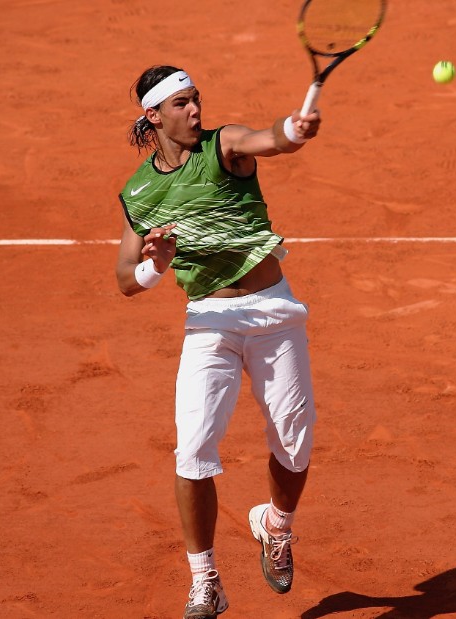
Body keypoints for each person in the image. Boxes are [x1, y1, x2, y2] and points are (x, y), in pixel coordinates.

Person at [115, 65, 321, 619]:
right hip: (209, 323)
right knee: (194, 449)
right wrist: (156, 268)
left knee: (296, 444)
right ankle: (205, 579)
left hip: (274, 312)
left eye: (196, 99)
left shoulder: (223, 145)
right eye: (181, 104)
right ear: (153, 116)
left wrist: (294, 131)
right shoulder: (140, 191)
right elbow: (124, 279)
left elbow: (270, 140)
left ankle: (275, 524)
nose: (195, 111)